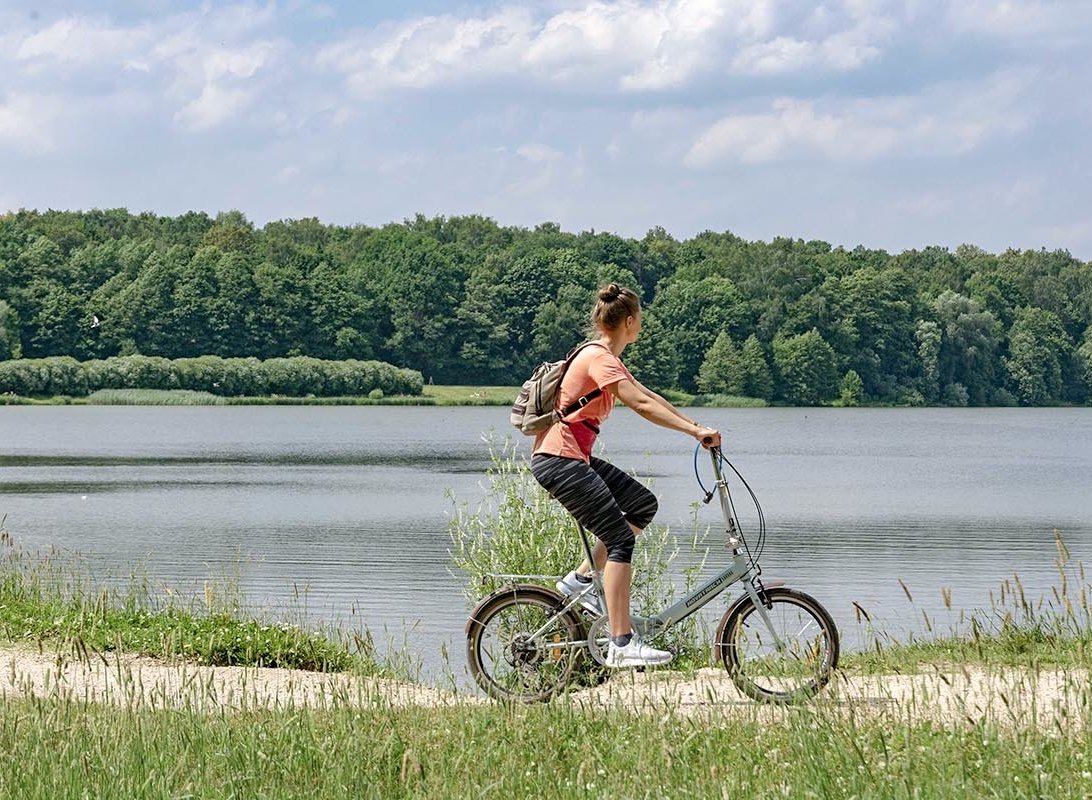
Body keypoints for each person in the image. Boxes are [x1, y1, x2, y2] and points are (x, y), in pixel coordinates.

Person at [530, 282, 721, 668]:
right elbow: (640, 404)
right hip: (559, 460)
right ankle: (621, 642)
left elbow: (649, 396)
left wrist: (696, 426)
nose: (641, 326)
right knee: (619, 538)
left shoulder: (604, 357)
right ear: (630, 322)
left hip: (570, 458)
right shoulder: (599, 357)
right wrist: (691, 432)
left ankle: (580, 580)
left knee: (641, 505)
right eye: (641, 321)